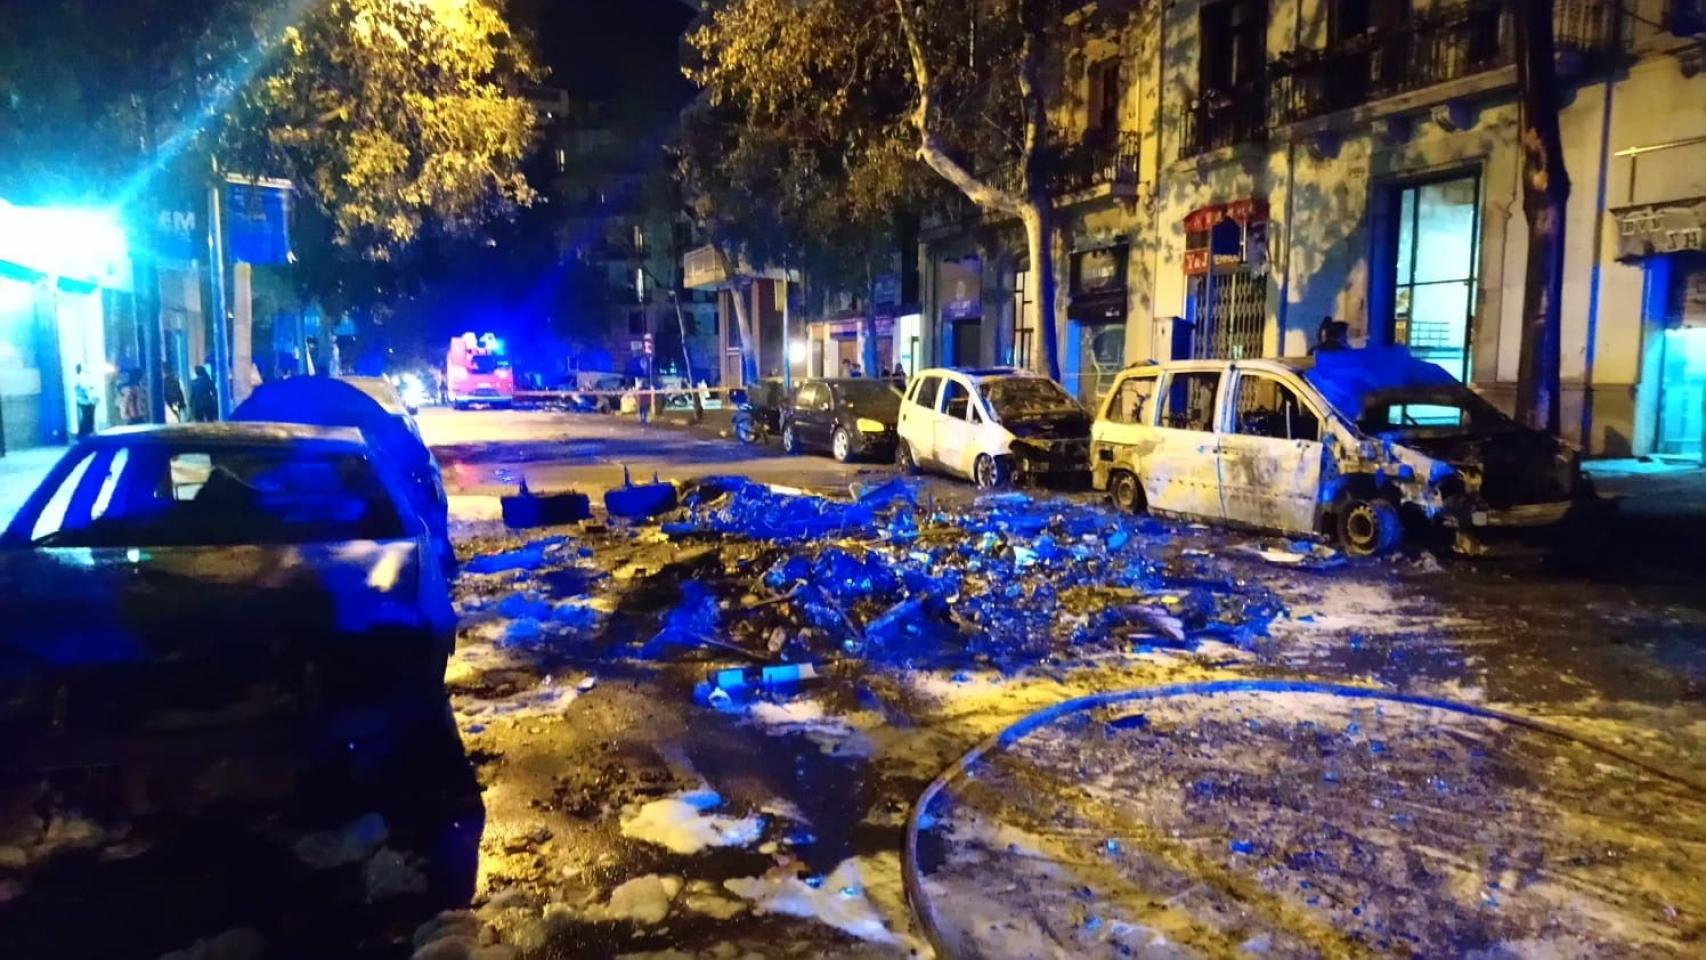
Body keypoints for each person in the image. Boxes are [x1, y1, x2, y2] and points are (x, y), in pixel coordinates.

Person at [72, 363, 100, 438]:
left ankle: (83, 434)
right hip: (88, 401)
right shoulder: (84, 377)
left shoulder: (78, 377)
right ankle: (85, 433)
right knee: (88, 418)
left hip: (83, 401)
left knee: (86, 418)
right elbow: (89, 389)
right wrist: (93, 398)